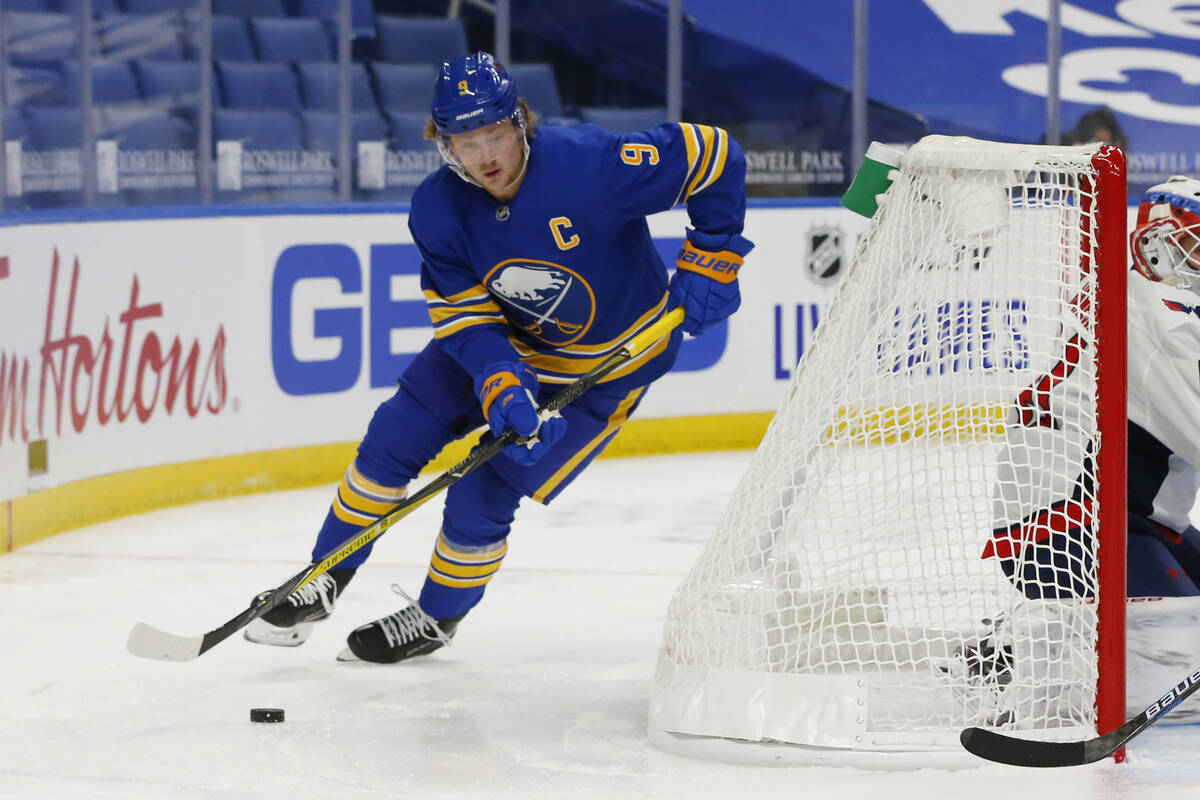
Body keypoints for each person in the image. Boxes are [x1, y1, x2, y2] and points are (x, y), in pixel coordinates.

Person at [243, 52, 752, 663]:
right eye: (465, 140)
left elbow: (715, 155)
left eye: (495, 134)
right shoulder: (436, 209)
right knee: (393, 435)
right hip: (503, 345)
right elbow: (466, 319)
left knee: (484, 489)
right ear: (443, 145)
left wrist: (713, 255)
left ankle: (436, 617)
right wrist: (501, 382)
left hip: (605, 370)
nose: (485, 155)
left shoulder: (591, 165)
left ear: (520, 123)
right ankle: (324, 576)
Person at [942, 176, 1200, 722]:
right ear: (1157, 244)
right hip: (1073, 529)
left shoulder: (1141, 297)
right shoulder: (1160, 315)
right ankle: (1020, 659)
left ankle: (1012, 643)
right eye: (1195, 245)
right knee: (1177, 648)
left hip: (1126, 519)